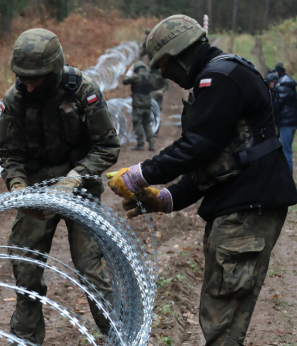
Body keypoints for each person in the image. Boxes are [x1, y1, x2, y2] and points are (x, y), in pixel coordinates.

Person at [107, 15, 297, 346]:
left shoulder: (220, 78)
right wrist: (166, 198)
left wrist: (139, 175)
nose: (162, 72)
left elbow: (199, 146)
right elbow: (217, 161)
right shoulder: (221, 76)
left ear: (180, 53)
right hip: (243, 203)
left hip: (247, 208)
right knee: (221, 320)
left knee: (221, 322)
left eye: (163, 63)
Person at [0, 28, 120, 344]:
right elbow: (10, 152)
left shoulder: (82, 92)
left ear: (52, 71)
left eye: (35, 77)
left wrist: (76, 176)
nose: (28, 84)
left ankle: (120, 334)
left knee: (91, 270)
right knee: (25, 270)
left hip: (80, 191)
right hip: (37, 193)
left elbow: (107, 145)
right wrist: (17, 185)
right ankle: (25, 340)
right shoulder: (16, 100)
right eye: (23, 77)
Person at [122, 61, 156, 151]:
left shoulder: (136, 77)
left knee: (137, 122)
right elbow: (154, 87)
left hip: (138, 102)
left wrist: (129, 72)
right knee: (147, 122)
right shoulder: (150, 77)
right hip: (148, 101)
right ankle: (152, 143)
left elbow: (124, 81)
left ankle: (140, 144)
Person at [273, 63, 297, 173]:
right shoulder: (289, 86)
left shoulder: (283, 88)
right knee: (286, 149)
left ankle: (288, 176)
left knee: (286, 150)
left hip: (286, 123)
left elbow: (276, 105)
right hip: (290, 122)